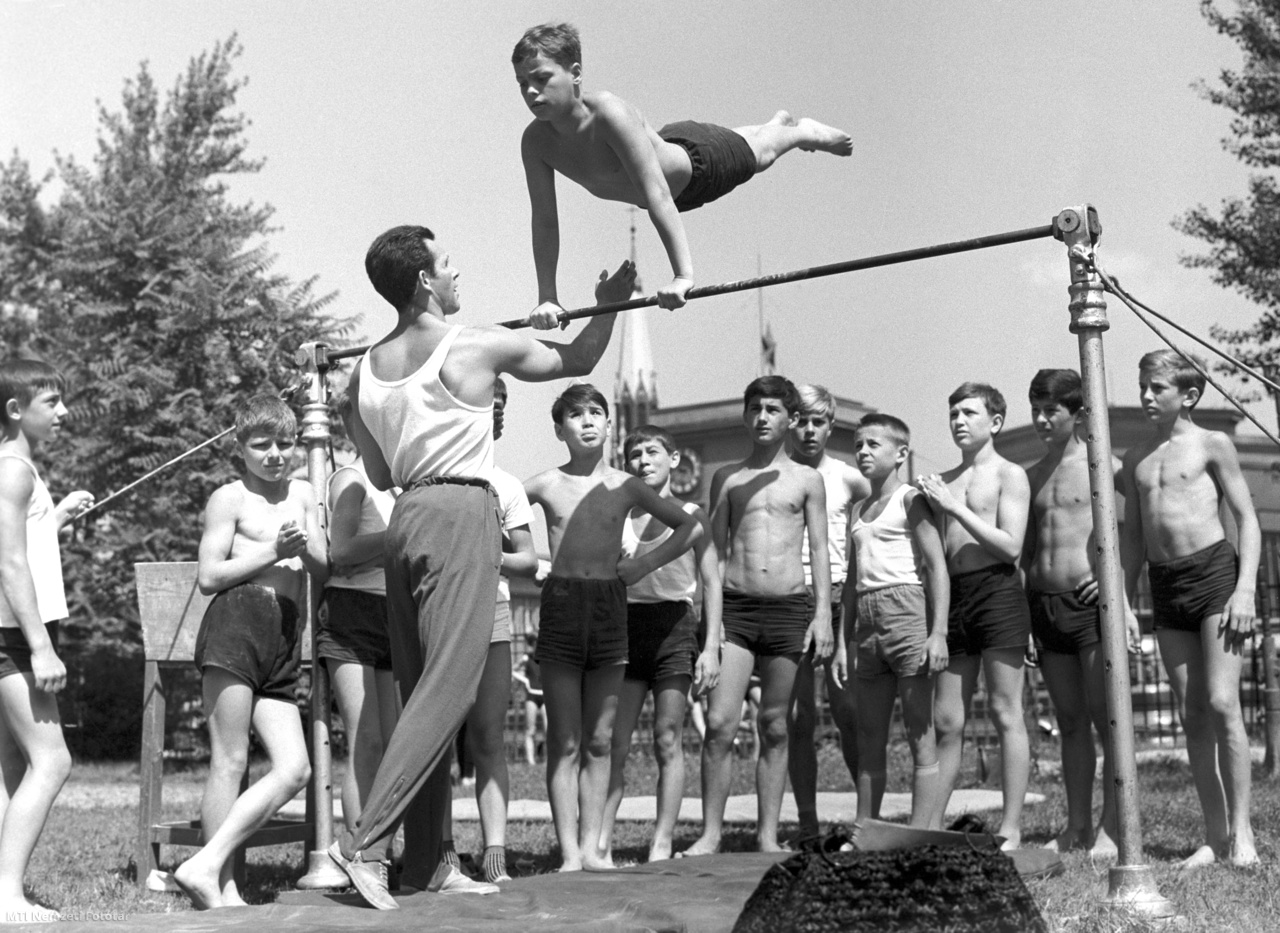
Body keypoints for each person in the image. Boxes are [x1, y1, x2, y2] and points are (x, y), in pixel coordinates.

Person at [328, 225, 637, 910]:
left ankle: (428, 864)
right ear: (422, 283)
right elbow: (580, 354)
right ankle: (366, 846)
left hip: (405, 517)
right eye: (447, 263)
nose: (458, 270)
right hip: (462, 510)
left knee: (422, 690)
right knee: (447, 687)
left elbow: (378, 470)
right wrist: (611, 303)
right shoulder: (474, 342)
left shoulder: (365, 370)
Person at [513, 22, 852, 325]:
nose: (531, 91)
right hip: (671, 156)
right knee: (747, 143)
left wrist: (682, 276)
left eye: (541, 78)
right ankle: (773, 126)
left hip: (697, 165)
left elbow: (657, 194)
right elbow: (545, 220)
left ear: (574, 73)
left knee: (761, 155)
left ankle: (798, 131)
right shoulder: (536, 142)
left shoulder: (608, 113)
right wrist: (547, 297)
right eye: (522, 82)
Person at [525, 385, 701, 872]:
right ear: (560, 429)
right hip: (562, 604)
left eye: (596, 413)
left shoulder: (627, 486)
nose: (586, 422)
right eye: (575, 415)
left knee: (600, 739)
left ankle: (591, 849)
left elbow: (691, 528)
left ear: (608, 425)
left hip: (609, 606)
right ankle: (568, 854)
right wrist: (518, 561)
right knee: (564, 738)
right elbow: (490, 517)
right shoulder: (541, 484)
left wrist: (644, 567)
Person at [178, 395, 327, 909]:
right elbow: (208, 577)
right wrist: (273, 551)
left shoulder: (305, 493)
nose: (275, 455)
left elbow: (325, 565)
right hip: (236, 625)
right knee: (231, 758)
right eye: (261, 445)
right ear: (240, 448)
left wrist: (304, 548)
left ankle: (203, 864)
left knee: (294, 769)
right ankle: (220, 888)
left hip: (283, 636)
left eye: (285, 444)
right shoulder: (230, 498)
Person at [1121, 349, 1260, 869]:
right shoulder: (1136, 459)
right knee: (1193, 712)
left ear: (1189, 396)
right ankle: (1214, 835)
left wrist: (1244, 589)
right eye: (1143, 386)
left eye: (1157, 388)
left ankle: (1243, 832)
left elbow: (1246, 518)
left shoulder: (1212, 444)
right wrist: (1127, 603)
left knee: (1223, 703)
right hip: (1165, 585)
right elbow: (1133, 539)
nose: (1147, 396)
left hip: (1215, 577)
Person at [683, 375, 832, 856]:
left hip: (789, 609)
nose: (762, 417)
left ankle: (768, 835)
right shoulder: (726, 477)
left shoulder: (808, 480)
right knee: (721, 722)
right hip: (738, 612)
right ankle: (711, 834)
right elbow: (715, 554)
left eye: (772, 409)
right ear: (745, 416)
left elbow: (821, 549)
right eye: (755, 409)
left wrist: (823, 615)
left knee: (775, 724)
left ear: (790, 419)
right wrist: (712, 627)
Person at [1024, 369, 1139, 857]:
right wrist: (1027, 618)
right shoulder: (1030, 475)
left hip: (1090, 605)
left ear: (1078, 414)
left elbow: (1136, 528)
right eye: (1036, 409)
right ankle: (1076, 826)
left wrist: (1115, 579)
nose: (1041, 419)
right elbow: (1026, 554)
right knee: (1070, 721)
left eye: (1051, 410)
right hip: (1045, 606)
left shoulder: (1103, 467)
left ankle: (1114, 825)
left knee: (1106, 716)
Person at [598, 424, 722, 863]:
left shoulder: (692, 512)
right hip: (628, 628)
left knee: (667, 737)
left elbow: (711, 581)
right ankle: (602, 841)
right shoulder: (618, 516)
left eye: (652, 452)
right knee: (616, 742)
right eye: (634, 454)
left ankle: (662, 841)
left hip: (674, 626)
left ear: (673, 459)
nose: (643, 460)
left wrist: (710, 647)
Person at [434, 377, 539, 889]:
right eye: (485, 405)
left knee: (488, 735)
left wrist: (486, 554)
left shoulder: (507, 484)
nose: (492, 415)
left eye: (500, 408)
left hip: (491, 613)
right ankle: (443, 849)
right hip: (438, 614)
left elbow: (528, 559)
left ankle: (494, 851)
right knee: (436, 736)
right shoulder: (434, 476)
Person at [917, 382, 1031, 849]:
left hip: (998, 591)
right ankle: (931, 825)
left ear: (995, 422)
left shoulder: (1010, 474)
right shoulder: (943, 480)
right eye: (953, 414)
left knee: (1006, 711)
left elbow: (1011, 545)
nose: (958, 421)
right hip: (954, 597)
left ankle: (1011, 826)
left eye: (969, 413)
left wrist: (954, 507)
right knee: (948, 720)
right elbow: (934, 557)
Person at [0, 360, 91, 923]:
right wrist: (41, 647)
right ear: (16, 409)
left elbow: (23, 545)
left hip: (11, 633)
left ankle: (4, 886)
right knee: (53, 761)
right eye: (51, 402)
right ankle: (6, 895)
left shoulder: (18, 472)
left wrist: (54, 518)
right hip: (12, 637)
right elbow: (9, 563)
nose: (63, 413)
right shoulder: (14, 471)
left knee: (13, 763)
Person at [849, 414, 949, 828]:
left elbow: (937, 567)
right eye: (858, 445)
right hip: (867, 622)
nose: (863, 452)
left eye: (873, 444)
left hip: (907, 614)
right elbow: (853, 580)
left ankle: (922, 831)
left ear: (900, 453)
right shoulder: (857, 508)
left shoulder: (911, 500)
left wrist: (937, 632)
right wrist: (843, 642)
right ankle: (865, 831)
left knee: (919, 735)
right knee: (870, 736)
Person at [316, 392, 400, 854]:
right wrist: (399, 536)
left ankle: (379, 846)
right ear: (353, 428)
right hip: (352, 613)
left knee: (392, 743)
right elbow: (341, 552)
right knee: (365, 739)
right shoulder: (350, 479)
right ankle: (360, 849)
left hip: (391, 610)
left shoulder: (399, 485)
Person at [786, 385, 869, 841]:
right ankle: (807, 823)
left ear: (831, 427)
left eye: (818, 421)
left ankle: (865, 818)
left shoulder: (850, 478)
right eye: (801, 420)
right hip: (790, 595)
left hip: (838, 594)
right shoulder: (776, 475)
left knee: (850, 712)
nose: (809, 430)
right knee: (797, 719)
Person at [514, 634, 546, 765]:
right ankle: (531, 761)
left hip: (544, 694)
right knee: (530, 729)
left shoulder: (544, 659)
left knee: (548, 729)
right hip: (532, 695)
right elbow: (513, 670)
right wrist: (525, 681)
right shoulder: (527, 659)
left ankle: (547, 759)